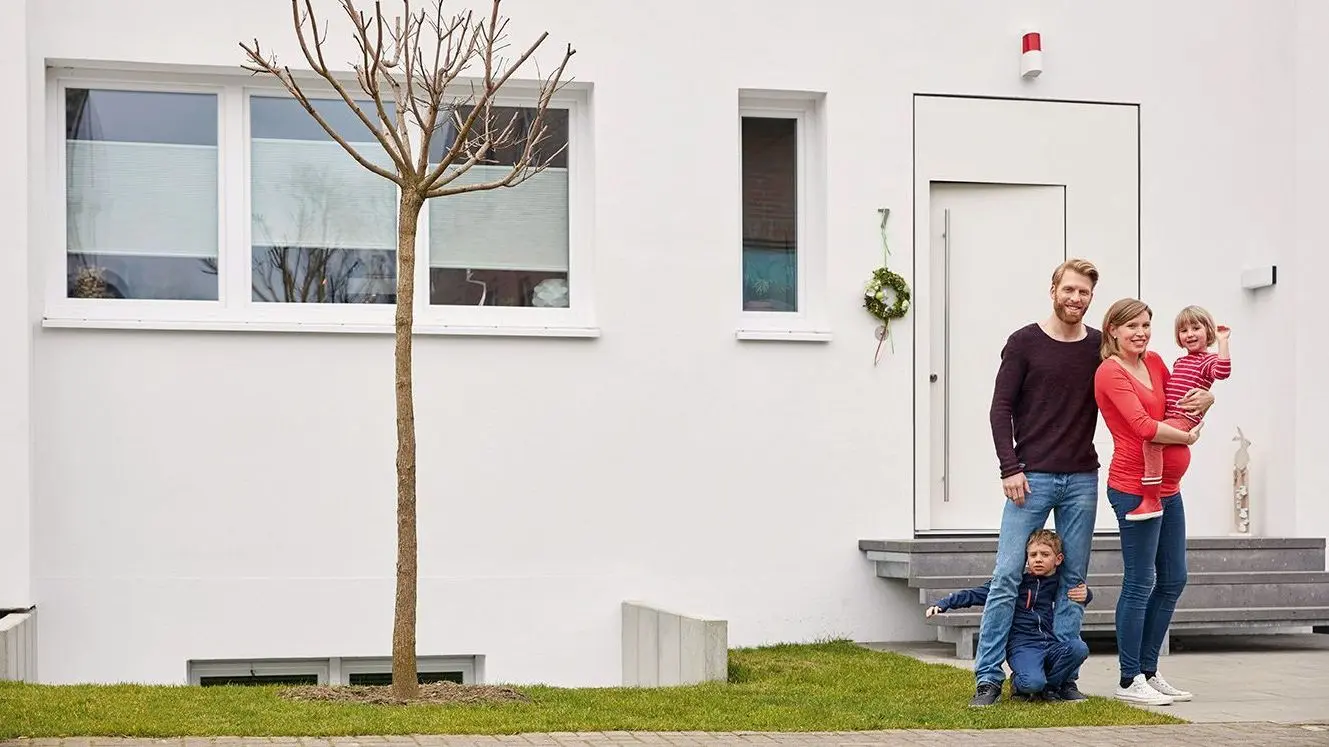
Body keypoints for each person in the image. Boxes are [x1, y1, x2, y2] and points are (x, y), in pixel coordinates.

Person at [972, 259, 1214, 709]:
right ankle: (987, 677)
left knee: (1073, 582)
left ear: (1091, 300)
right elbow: (999, 408)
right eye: (1069, 290)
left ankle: (1063, 676)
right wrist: (1010, 467)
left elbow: (1168, 380)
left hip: (1082, 475)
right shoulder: (1024, 343)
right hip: (1032, 476)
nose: (1075, 299)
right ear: (1053, 290)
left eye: (1083, 293)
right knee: (1007, 575)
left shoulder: (1101, 348)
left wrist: (1210, 391)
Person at [1094, 298, 1200, 706]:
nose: (1140, 332)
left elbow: (1178, 406)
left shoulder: (1155, 361)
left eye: (1145, 325)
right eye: (1131, 326)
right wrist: (1188, 437)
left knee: (1174, 579)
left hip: (1168, 488)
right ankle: (1128, 679)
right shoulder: (1110, 372)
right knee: (1140, 581)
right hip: (1133, 487)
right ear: (1113, 331)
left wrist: (1205, 402)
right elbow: (1142, 426)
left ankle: (1149, 671)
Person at [927, 529, 1092, 703]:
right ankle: (1020, 683)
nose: (1038, 559)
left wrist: (1086, 594)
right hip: (1023, 646)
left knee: (1079, 648)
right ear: (1026, 558)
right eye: (1033, 555)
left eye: (1045, 554)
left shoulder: (1061, 583)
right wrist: (944, 604)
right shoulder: (1015, 582)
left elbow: (1076, 598)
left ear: (1058, 559)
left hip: (1051, 644)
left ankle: (1051, 688)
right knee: (1032, 683)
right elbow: (978, 594)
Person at [1128, 306, 1232, 521]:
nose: (1190, 334)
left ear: (1208, 332)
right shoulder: (1180, 362)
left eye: (1196, 328)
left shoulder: (1208, 360)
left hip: (1185, 418)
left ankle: (1151, 499)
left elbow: (1222, 372)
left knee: (1152, 443)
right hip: (1172, 417)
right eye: (1184, 331)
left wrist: (1223, 341)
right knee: (1154, 441)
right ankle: (1153, 495)